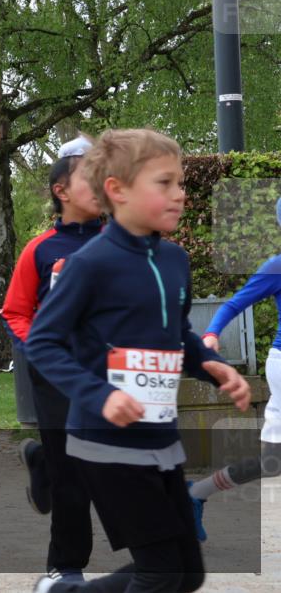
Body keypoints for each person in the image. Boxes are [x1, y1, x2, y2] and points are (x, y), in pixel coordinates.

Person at [26, 128, 251, 593]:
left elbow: (176, 335)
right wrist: (100, 395)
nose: (180, 194)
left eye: (181, 183)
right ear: (118, 190)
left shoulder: (175, 260)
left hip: (160, 435)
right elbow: (43, 342)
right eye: (164, 183)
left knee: (186, 574)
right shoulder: (89, 263)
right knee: (160, 573)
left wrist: (212, 365)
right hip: (105, 442)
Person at [1, 136, 103, 582]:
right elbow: (15, 312)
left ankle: (42, 460)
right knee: (71, 474)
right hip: (58, 375)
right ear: (61, 190)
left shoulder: (124, 242)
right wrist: (39, 351)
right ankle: (66, 566)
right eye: (90, 177)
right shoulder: (40, 250)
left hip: (112, 372)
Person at [187, 196, 281, 540]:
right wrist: (211, 333)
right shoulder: (276, 267)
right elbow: (234, 304)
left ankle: (198, 492)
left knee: (273, 462)